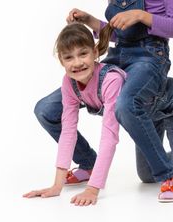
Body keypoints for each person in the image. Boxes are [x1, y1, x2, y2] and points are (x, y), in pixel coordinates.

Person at [34, 0, 173, 200]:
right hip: (119, 55)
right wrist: (91, 22)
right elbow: (117, 30)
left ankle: (168, 177)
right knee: (46, 109)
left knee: (125, 105)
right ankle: (87, 162)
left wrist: (143, 16)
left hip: (150, 57)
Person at [23, 23, 126, 206]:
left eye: (83, 54)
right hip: (128, 116)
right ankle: (88, 164)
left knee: (160, 173)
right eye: (69, 57)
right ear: (61, 61)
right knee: (148, 174)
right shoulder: (69, 82)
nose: (77, 63)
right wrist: (57, 186)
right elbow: (68, 131)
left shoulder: (111, 80)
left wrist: (93, 189)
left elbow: (109, 136)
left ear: (95, 52)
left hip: (156, 109)